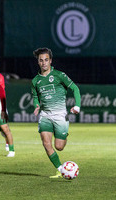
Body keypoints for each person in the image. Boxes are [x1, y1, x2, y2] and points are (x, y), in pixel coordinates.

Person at [31, 47, 81, 178]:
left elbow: (75, 88)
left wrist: (77, 106)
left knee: (59, 146)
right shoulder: (35, 81)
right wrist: (36, 104)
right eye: (41, 60)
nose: (43, 63)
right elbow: (35, 96)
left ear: (50, 61)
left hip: (59, 114)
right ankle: (60, 169)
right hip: (45, 115)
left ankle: (63, 134)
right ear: (38, 62)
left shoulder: (59, 75)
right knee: (46, 144)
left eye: (46, 60)